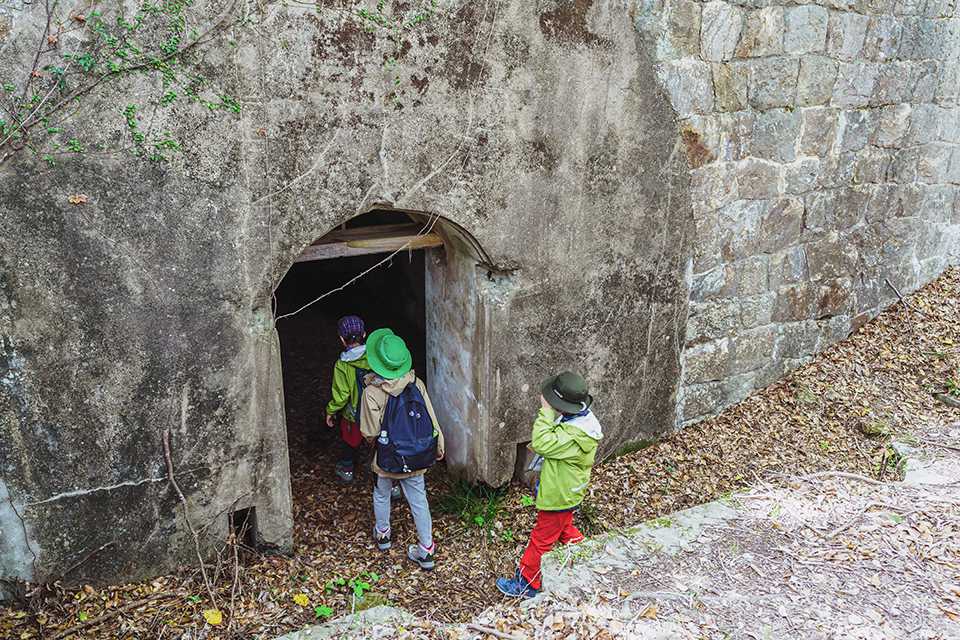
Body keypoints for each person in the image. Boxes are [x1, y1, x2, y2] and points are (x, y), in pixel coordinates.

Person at [496, 371, 603, 598]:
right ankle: (587, 555)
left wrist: (546, 411)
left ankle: (528, 583)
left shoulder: (575, 435)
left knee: (541, 540)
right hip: (567, 492)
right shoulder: (580, 421)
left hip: (559, 496)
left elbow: (542, 442)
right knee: (564, 528)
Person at [360, 328, 444, 570]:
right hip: (416, 456)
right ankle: (426, 549)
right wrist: (438, 444)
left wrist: (376, 443)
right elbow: (431, 417)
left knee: (382, 492)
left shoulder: (371, 392)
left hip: (387, 458)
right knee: (419, 499)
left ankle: (384, 534)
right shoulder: (416, 384)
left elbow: (369, 432)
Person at [323, 315, 371, 484]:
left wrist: (331, 411)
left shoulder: (342, 365)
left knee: (350, 440)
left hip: (354, 413)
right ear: (364, 334)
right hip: (377, 411)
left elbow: (341, 395)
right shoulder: (375, 358)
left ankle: (347, 471)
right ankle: (392, 484)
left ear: (342, 339)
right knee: (381, 444)